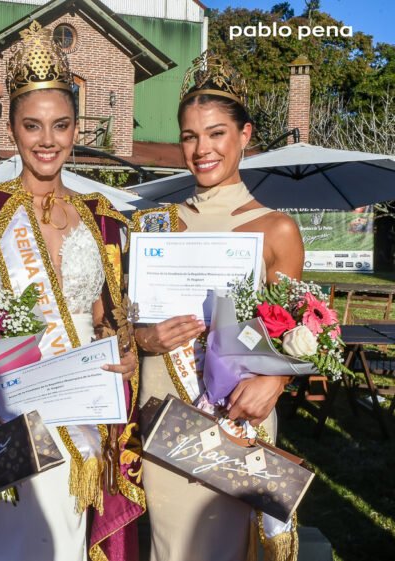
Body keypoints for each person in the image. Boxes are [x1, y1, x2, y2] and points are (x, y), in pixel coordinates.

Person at [0, 21, 144, 561]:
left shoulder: (105, 221)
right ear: (12, 127)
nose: (47, 140)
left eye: (60, 125)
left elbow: (108, 318)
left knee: (66, 535)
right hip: (6, 404)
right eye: (33, 126)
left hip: (81, 403)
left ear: (77, 129)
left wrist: (120, 346)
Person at [131, 51, 304, 561]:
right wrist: (145, 338)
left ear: (245, 135)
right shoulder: (155, 225)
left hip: (238, 416)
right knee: (172, 548)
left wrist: (276, 380)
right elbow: (126, 324)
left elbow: (298, 333)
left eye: (216, 133)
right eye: (190, 136)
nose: (201, 149)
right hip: (165, 410)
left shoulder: (276, 229)